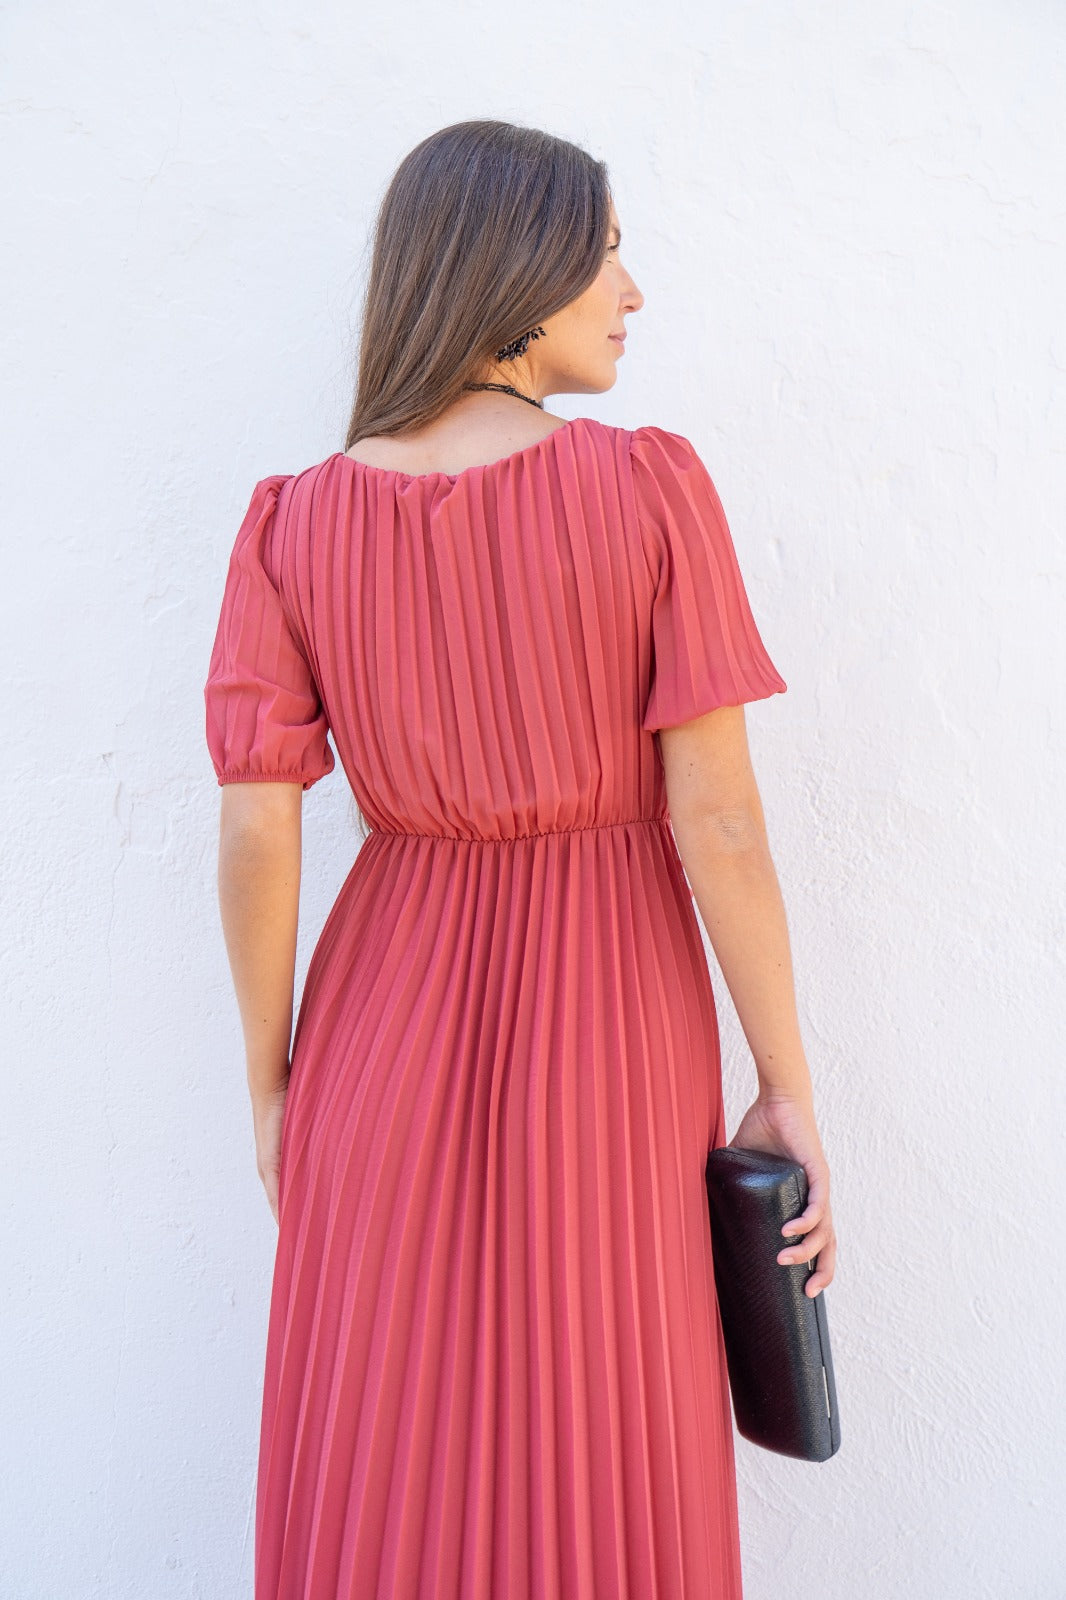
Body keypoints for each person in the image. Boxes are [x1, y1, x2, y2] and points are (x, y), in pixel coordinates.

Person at [204, 118, 836, 1600]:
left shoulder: (294, 523)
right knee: (607, 1391)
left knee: (385, 1423)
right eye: (604, 252)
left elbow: (256, 822)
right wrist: (786, 1083)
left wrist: (275, 1079)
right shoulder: (646, 488)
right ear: (515, 269)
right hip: (608, 999)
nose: (631, 291)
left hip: (378, 1009)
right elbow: (719, 819)